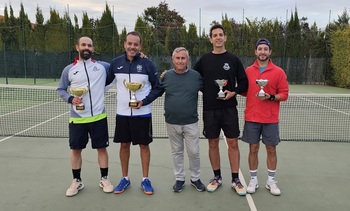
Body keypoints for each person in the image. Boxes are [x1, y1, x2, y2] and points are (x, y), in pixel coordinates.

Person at [193, 24, 248, 195]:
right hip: (210, 109)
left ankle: (235, 179)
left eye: (220, 35)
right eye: (214, 35)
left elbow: (244, 81)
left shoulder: (233, 59)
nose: (218, 37)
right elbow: (193, 78)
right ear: (210, 39)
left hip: (229, 108)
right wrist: (208, 91)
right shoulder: (204, 60)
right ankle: (217, 177)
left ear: (225, 38)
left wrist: (234, 92)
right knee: (213, 142)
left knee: (233, 143)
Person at [106, 31, 162, 195]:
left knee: (144, 146)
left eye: (136, 44)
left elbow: (158, 87)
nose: (132, 47)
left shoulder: (148, 64)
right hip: (122, 114)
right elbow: (104, 79)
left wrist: (144, 101)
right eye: (129, 43)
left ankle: (145, 179)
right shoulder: (115, 63)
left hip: (143, 114)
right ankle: (125, 178)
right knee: (124, 145)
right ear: (124, 44)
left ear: (140, 46)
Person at [57, 36, 114, 197]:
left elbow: (120, 66)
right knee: (76, 150)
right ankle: (77, 181)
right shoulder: (69, 69)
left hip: (98, 117)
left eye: (89, 45)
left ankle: (104, 178)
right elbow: (61, 89)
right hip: (77, 118)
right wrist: (70, 98)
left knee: (102, 149)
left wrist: (140, 57)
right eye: (83, 45)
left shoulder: (102, 67)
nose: (86, 48)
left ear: (93, 49)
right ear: (77, 47)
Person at [241, 38, 289, 196]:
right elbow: (243, 90)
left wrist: (270, 97)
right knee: (253, 149)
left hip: (270, 119)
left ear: (270, 52)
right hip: (252, 117)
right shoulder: (248, 71)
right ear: (255, 51)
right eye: (260, 49)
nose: (262, 52)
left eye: (265, 49)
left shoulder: (278, 72)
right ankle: (253, 179)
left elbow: (284, 94)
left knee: (271, 149)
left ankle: (271, 181)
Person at [160, 47, 205, 193]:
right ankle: (179, 179)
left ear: (188, 60)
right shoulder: (166, 76)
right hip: (172, 122)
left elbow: (209, 91)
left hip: (190, 121)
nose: (180, 61)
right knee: (177, 152)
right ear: (173, 60)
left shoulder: (196, 76)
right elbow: (156, 90)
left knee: (194, 152)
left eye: (183, 58)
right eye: (177, 58)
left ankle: (195, 178)